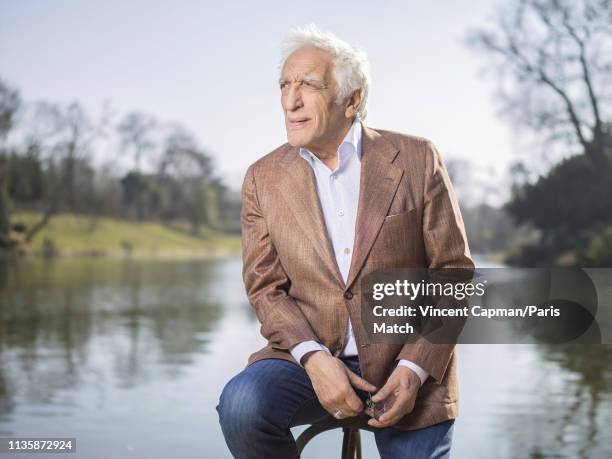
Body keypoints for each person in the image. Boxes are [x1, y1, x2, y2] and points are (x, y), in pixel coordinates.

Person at [217, 24, 474, 459]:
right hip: (305, 362)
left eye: (309, 85)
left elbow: (454, 277)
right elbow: (266, 288)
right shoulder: (262, 178)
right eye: (285, 84)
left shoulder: (416, 159)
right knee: (242, 406)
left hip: (406, 364)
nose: (290, 100)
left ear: (352, 99)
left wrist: (413, 369)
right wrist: (314, 359)